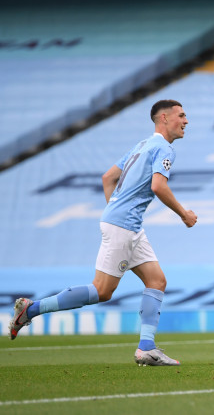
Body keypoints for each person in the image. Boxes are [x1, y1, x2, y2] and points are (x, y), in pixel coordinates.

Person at [9, 99, 198, 366]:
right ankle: (32, 309)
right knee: (102, 290)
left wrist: (115, 209)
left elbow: (107, 178)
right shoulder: (164, 149)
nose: (186, 121)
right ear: (164, 118)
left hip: (127, 224)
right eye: (181, 115)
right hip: (124, 225)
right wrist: (184, 214)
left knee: (157, 281)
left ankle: (146, 348)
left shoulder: (142, 145)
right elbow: (158, 186)